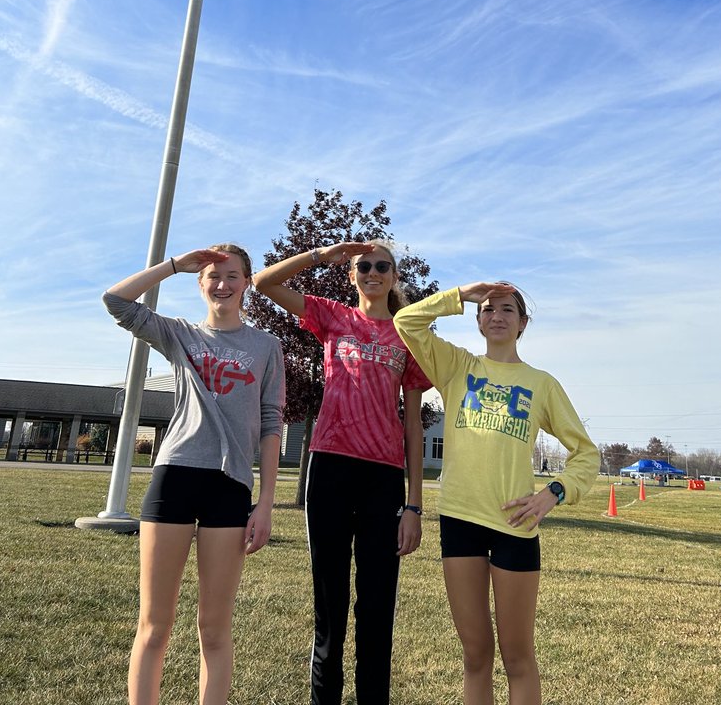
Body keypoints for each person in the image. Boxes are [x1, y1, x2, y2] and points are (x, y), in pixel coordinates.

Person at [393, 281, 599, 705]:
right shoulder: (457, 366)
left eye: (507, 310)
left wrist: (554, 491)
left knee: (518, 657)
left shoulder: (541, 383)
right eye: (488, 309)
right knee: (475, 654)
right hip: (460, 521)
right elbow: (407, 321)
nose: (497, 316)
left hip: (514, 526)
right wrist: (462, 294)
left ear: (523, 323)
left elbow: (586, 454)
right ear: (478, 320)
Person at [103, 245, 285, 705]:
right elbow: (116, 301)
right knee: (154, 624)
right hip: (176, 477)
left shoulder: (267, 347)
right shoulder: (180, 334)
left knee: (215, 628)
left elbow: (271, 423)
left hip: (231, 486)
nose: (222, 284)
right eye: (212, 276)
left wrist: (265, 502)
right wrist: (174, 265)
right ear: (200, 284)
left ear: (247, 282)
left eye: (233, 275)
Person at [252, 239, 430, 705]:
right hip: (330, 470)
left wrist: (414, 504)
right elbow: (263, 282)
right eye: (364, 266)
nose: (373, 272)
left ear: (394, 276)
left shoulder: (408, 336)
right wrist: (322, 255)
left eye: (382, 266)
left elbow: (413, 425)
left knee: (377, 607)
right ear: (352, 275)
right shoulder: (333, 316)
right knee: (329, 607)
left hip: (383, 477)